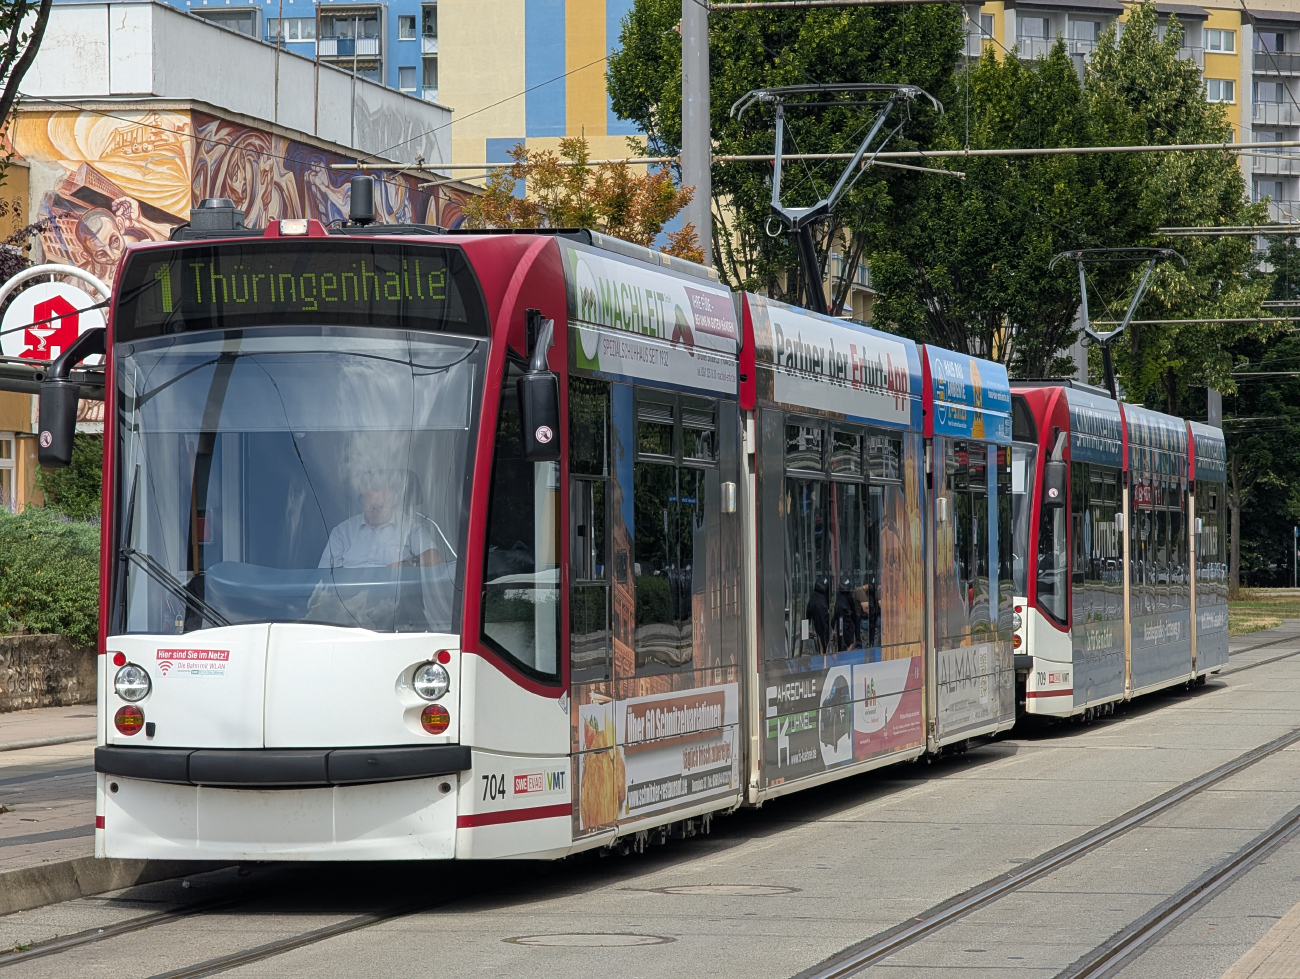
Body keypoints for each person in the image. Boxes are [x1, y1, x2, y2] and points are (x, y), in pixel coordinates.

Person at [319, 469, 442, 569]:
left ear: (395, 499)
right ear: (362, 500)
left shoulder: (410, 527)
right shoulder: (342, 532)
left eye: (381, 506)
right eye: (372, 505)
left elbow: (434, 558)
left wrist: (403, 566)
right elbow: (324, 578)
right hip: (349, 593)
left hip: (396, 592)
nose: (375, 510)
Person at [804, 575, 831, 655]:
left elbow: (808, 615)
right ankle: (823, 652)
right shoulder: (823, 600)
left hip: (815, 611)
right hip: (821, 612)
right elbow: (824, 625)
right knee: (823, 633)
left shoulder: (813, 597)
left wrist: (806, 629)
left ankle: (808, 646)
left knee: (820, 632)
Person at [833, 576, 861, 651]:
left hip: (841, 620)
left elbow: (836, 609)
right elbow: (853, 609)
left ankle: (841, 650)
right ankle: (845, 651)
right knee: (850, 642)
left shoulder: (839, 596)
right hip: (846, 621)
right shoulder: (848, 595)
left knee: (841, 640)